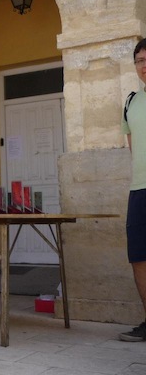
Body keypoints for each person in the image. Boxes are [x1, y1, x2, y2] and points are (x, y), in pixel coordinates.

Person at [120, 38, 146, 342]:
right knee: (138, 256)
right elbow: (132, 148)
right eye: (139, 60)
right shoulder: (130, 102)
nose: (144, 65)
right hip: (139, 189)